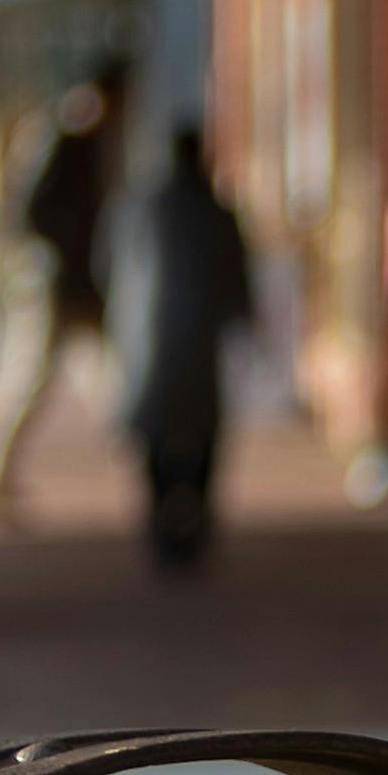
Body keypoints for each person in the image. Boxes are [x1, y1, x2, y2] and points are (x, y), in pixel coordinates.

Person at [0, 60, 125, 520]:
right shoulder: (64, 141)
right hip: (52, 284)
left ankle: (142, 467)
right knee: (29, 380)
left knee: (111, 377)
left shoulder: (77, 141)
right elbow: (35, 216)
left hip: (76, 283)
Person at [115, 121, 259, 574]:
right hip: (194, 344)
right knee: (200, 431)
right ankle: (189, 515)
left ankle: (164, 517)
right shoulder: (213, 211)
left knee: (157, 432)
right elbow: (238, 281)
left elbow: (111, 267)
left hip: (149, 341)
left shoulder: (141, 207)